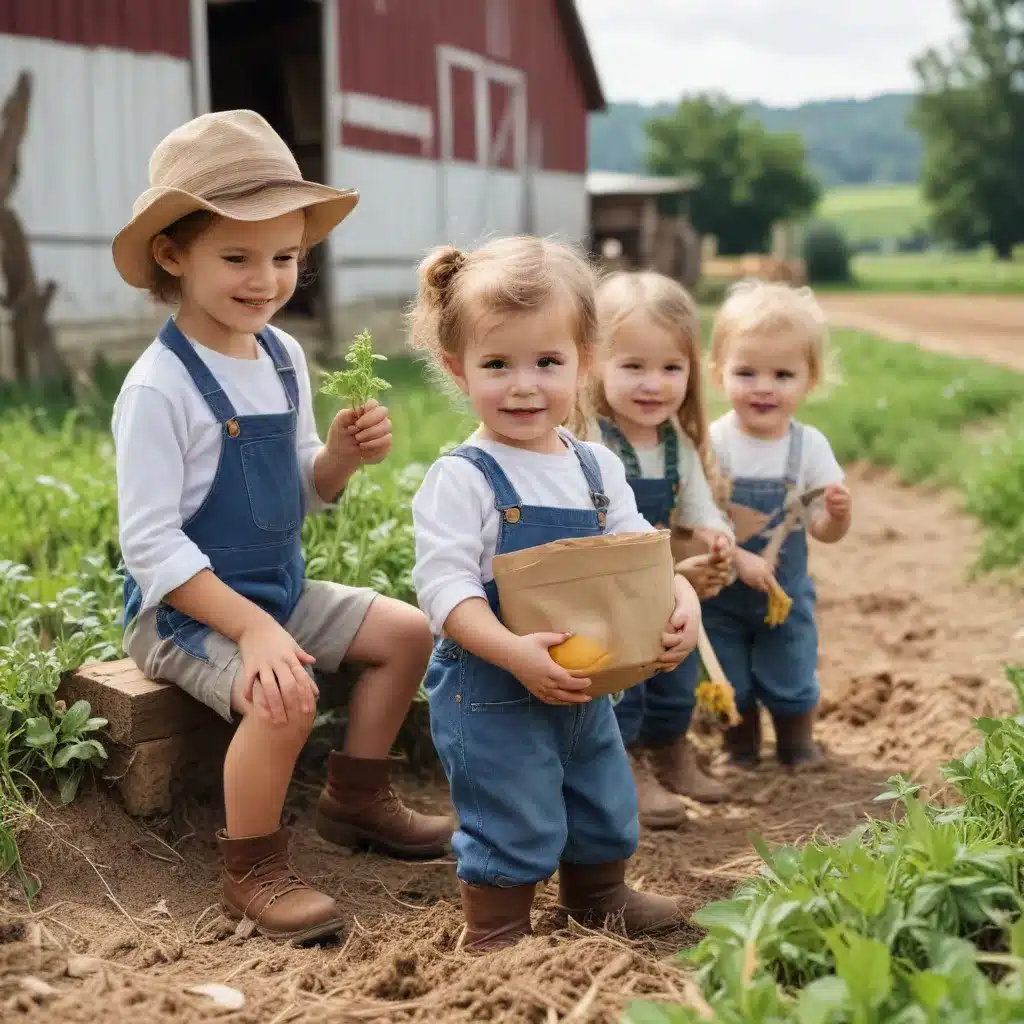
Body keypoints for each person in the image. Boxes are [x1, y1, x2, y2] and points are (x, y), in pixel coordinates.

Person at [110, 110, 451, 944]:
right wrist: (256, 631)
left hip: (276, 592)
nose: (265, 280)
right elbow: (150, 545)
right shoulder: (160, 389)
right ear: (171, 253)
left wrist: (335, 459)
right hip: (185, 615)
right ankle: (251, 864)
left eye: (285, 257)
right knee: (284, 691)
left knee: (408, 632)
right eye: (237, 257)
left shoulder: (282, 356)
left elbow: (296, 494)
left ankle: (355, 797)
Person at [408, 236, 700, 951]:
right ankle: (498, 928)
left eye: (548, 362)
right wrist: (511, 651)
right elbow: (443, 591)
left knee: (601, 790)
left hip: (584, 679)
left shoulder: (594, 465)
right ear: (457, 369)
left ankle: (598, 896)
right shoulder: (465, 478)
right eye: (497, 364)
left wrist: (680, 602)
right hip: (493, 684)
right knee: (511, 804)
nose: (524, 386)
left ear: (584, 362)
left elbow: (639, 556)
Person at [584, 271, 734, 829]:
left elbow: (698, 508)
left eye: (671, 367)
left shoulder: (677, 444)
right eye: (633, 367)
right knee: (627, 684)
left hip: (668, 586)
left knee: (676, 670)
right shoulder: (590, 440)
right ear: (594, 363)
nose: (654, 384)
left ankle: (670, 749)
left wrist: (719, 537)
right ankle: (623, 761)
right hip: (610, 592)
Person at [702, 279, 853, 768]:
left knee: (791, 665)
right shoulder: (712, 443)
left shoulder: (808, 447)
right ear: (717, 373)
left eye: (782, 374)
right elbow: (697, 516)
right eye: (746, 372)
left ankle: (796, 742)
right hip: (720, 589)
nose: (763, 387)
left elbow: (820, 529)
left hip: (781, 591)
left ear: (809, 380)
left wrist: (834, 516)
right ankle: (739, 745)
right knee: (728, 670)